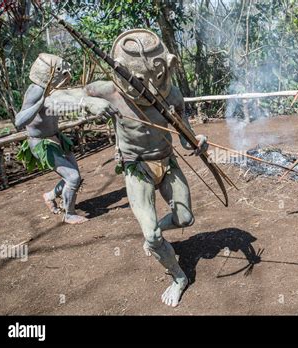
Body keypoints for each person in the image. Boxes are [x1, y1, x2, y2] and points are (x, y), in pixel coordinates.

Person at [69, 29, 209, 307]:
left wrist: (197, 142)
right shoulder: (109, 90)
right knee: (153, 235)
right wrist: (89, 102)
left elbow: (185, 135)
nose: (152, 82)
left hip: (167, 162)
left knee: (185, 219)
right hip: (137, 168)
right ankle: (178, 276)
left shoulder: (172, 93)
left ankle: (154, 238)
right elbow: (61, 98)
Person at [15, 53, 117, 224]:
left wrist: (90, 100)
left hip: (57, 137)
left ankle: (49, 196)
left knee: (74, 176)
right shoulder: (36, 91)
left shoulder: (52, 90)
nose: (67, 78)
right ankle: (69, 214)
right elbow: (19, 121)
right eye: (63, 74)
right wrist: (39, 105)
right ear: (51, 74)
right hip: (41, 142)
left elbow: (67, 100)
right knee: (73, 178)